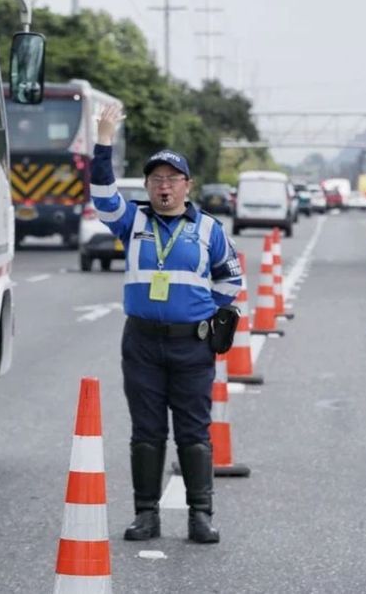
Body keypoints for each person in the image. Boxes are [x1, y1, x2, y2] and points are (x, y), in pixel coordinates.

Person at [89, 104, 243, 544]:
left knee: (193, 432)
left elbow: (230, 278)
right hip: (141, 344)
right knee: (147, 432)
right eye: (156, 179)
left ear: (186, 186)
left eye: (172, 179)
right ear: (147, 185)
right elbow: (101, 193)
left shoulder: (208, 230)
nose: (163, 186)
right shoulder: (131, 221)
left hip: (191, 347)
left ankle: (200, 515)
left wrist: (204, 314)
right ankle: (146, 516)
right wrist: (103, 139)